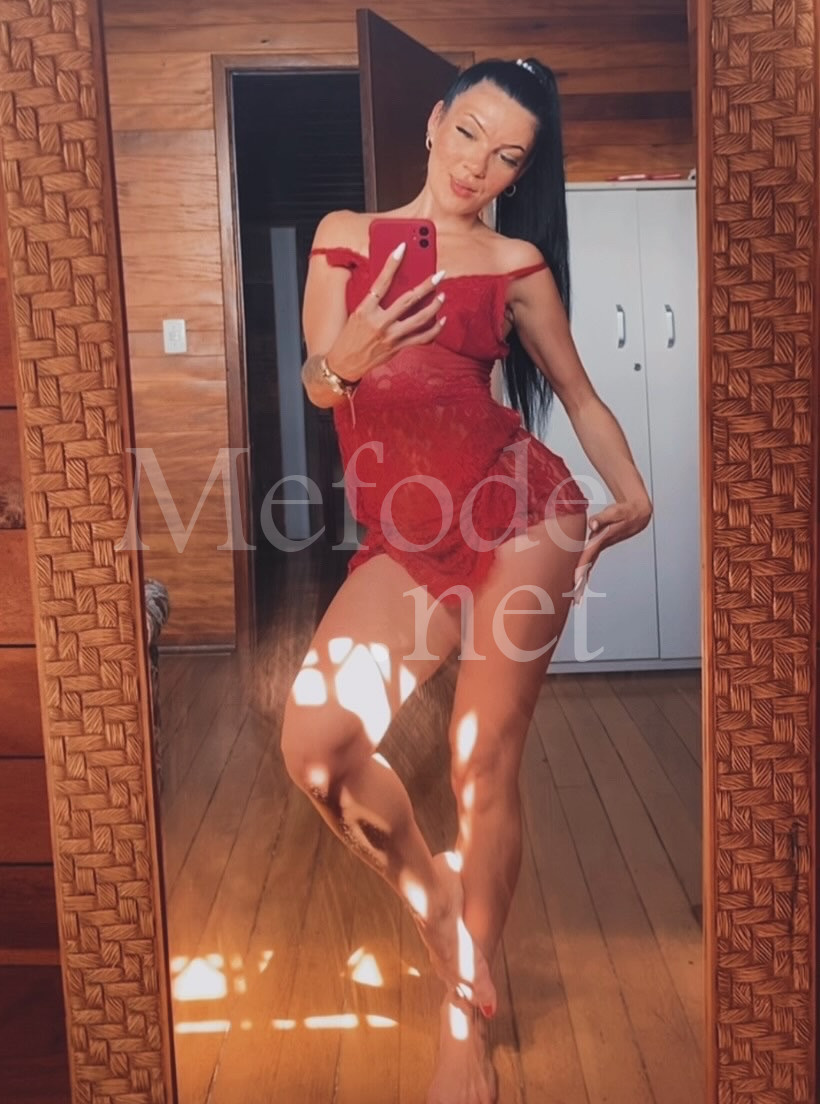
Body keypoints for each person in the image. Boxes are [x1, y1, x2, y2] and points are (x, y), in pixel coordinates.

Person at [281, 57, 653, 1104]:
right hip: (407, 534)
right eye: (469, 133)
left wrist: (634, 488)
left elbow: (577, 394)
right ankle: (438, 905)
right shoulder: (345, 236)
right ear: (436, 120)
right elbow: (319, 383)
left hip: (521, 510)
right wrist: (347, 356)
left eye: (508, 156)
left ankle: (462, 1022)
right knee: (316, 747)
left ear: (520, 174)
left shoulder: (515, 262)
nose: (477, 165)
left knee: (481, 759)